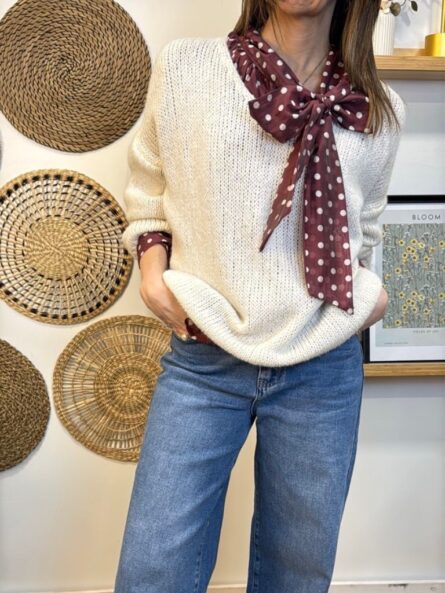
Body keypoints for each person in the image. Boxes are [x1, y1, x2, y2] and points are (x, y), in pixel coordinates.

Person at [114, 0, 406, 591]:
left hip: (322, 369)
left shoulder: (378, 109)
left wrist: (369, 300)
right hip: (204, 359)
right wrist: (152, 274)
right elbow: (148, 186)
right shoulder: (187, 68)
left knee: (297, 572)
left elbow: (365, 229)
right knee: (153, 568)